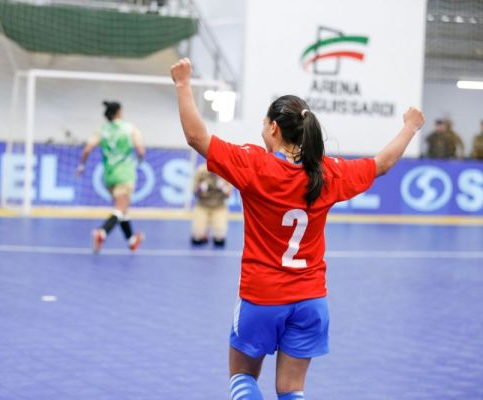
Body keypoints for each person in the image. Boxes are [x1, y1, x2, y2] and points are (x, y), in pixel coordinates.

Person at [170, 58, 424, 400]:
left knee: (243, 377)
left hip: (262, 295)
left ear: (274, 128)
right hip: (310, 300)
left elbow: (195, 137)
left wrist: (183, 84)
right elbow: (383, 164)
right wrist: (409, 127)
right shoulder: (327, 172)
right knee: (291, 390)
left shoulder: (255, 165)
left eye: (263, 124)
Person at [77, 101, 145, 253]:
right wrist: (139, 160)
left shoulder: (101, 130)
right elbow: (141, 151)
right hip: (125, 174)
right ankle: (102, 232)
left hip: (108, 175)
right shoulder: (129, 128)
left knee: (122, 209)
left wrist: (81, 166)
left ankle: (132, 240)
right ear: (119, 112)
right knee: (120, 209)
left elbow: (87, 150)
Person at [191, 163, 233, 247]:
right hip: (202, 206)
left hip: (219, 207)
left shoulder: (225, 171)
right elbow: (194, 192)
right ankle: (203, 234)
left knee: (219, 240)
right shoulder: (201, 171)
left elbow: (229, 195)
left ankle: (215, 233)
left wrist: (223, 187)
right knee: (197, 239)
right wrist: (200, 188)